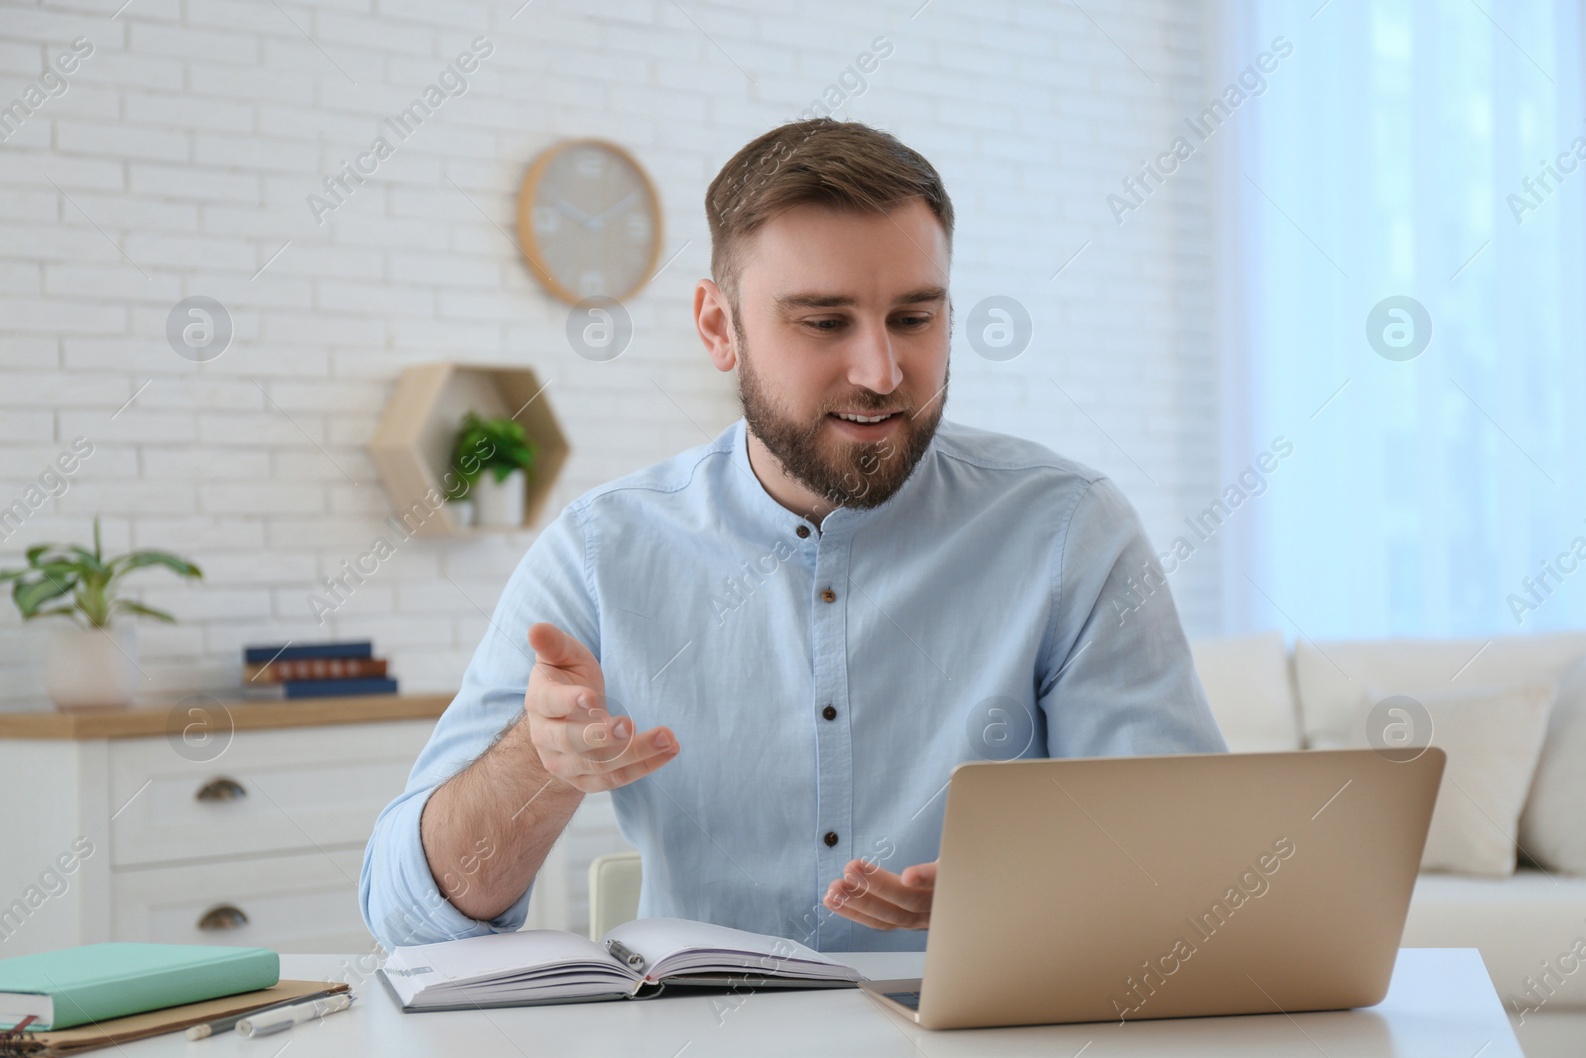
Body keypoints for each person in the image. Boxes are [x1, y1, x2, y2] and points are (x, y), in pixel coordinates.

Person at [359, 117, 1226, 954]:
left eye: (916, 318)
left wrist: (1025, 897)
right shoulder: (600, 552)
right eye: (824, 322)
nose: (881, 372)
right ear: (717, 327)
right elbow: (409, 914)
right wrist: (536, 766)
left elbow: (1193, 867)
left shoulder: (1068, 529)